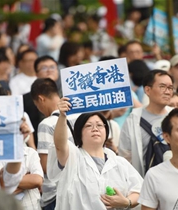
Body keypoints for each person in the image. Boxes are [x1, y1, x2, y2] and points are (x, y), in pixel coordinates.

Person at [48, 100, 143, 209]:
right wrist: (62, 116)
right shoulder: (72, 157)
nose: (95, 129)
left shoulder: (119, 163)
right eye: (88, 126)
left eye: (99, 125)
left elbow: (140, 190)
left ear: (106, 132)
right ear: (79, 133)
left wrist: (127, 202)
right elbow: (60, 145)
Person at [30, 78, 80, 210]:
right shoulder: (81, 116)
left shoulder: (46, 124)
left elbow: (46, 166)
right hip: (81, 188)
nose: (39, 109)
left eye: (37, 105)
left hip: (57, 194)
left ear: (41, 99)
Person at [119, 70, 173, 176]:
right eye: (162, 87)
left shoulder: (176, 115)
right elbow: (125, 156)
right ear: (148, 90)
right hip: (143, 182)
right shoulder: (133, 119)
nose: (167, 92)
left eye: (170, 88)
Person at [23, 55, 60, 147]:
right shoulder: (26, 99)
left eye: (52, 67)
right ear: (36, 74)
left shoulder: (68, 95)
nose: (49, 70)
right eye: (44, 68)